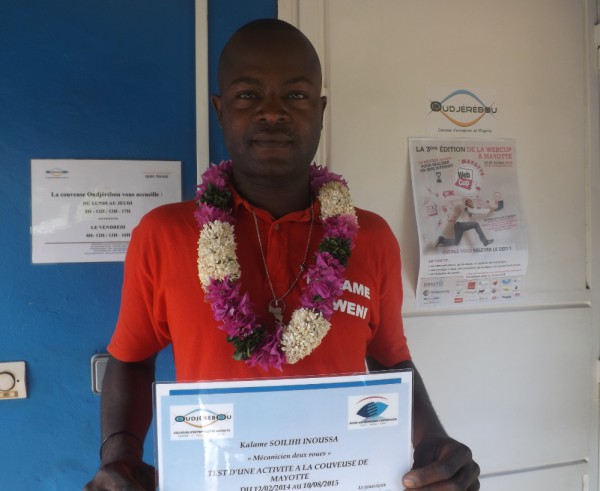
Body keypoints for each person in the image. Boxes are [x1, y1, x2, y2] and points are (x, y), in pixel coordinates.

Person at [85, 19, 480, 491]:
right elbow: (131, 358)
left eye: (295, 95)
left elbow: (391, 362)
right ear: (219, 110)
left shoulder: (371, 237)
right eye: (248, 95)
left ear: (320, 111)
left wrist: (432, 439)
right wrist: (120, 454)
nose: (272, 113)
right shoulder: (164, 234)